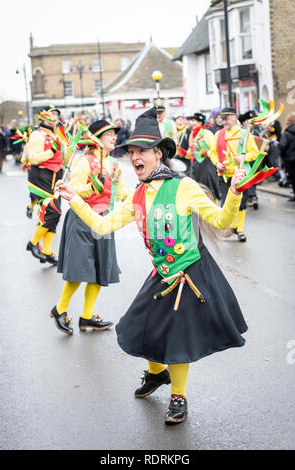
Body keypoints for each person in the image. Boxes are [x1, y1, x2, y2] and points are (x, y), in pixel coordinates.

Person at [55, 107, 248, 425]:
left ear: (159, 154)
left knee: (177, 338)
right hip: (162, 274)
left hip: (190, 274)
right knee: (140, 326)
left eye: (141, 150)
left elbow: (222, 221)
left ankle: (179, 398)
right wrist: (74, 198)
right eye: (131, 151)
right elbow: (101, 227)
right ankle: (157, 374)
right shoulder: (137, 195)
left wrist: (236, 194)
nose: (134, 157)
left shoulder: (183, 186)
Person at [51, 120, 131, 335]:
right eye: (109, 134)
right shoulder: (83, 163)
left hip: (105, 219)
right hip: (82, 218)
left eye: (115, 134)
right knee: (79, 270)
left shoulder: (114, 165)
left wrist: (143, 194)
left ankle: (87, 317)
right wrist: (93, 183)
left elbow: (120, 192)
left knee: (99, 271)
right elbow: (73, 191)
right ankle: (59, 309)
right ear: (96, 139)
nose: (114, 138)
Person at [210, 107, 259, 242]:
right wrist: (217, 163)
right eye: (222, 118)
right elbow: (212, 152)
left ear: (234, 117)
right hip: (224, 175)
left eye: (226, 118)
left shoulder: (244, 133)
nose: (224, 121)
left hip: (240, 175)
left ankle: (240, 229)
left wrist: (243, 158)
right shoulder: (218, 134)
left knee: (241, 203)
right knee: (226, 202)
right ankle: (232, 227)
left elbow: (254, 153)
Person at [25, 106, 67, 264]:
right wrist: (52, 151)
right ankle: (33, 243)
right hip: (42, 176)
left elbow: (63, 156)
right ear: (43, 118)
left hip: (56, 176)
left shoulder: (56, 135)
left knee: (55, 216)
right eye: (51, 114)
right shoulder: (37, 135)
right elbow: (34, 158)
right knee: (52, 212)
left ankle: (48, 251)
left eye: (56, 114)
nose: (55, 117)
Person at [188, 112, 220, 201]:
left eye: (195, 121)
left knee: (209, 187)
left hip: (207, 164)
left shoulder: (206, 133)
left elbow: (214, 148)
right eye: (192, 121)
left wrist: (206, 152)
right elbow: (191, 149)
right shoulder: (192, 133)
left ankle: (213, 206)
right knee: (196, 186)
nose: (193, 123)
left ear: (200, 122)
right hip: (196, 164)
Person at [279, 112, 295, 201]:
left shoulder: (286, 133)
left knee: (293, 178)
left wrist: (283, 156)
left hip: (290, 160)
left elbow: (283, 146)